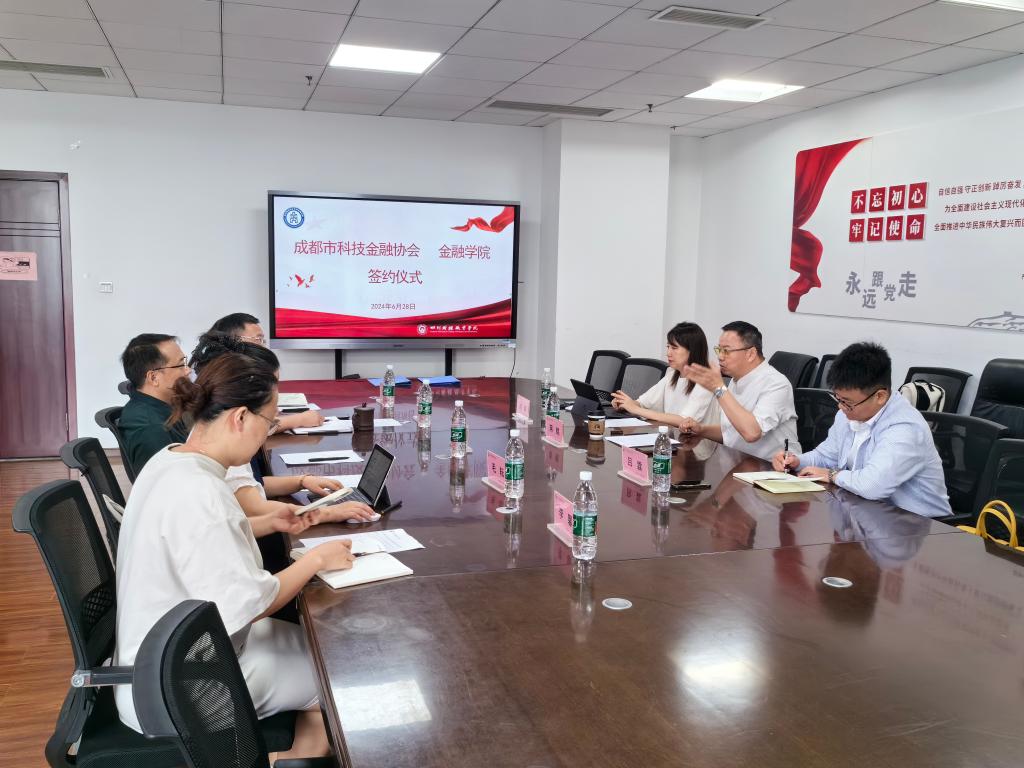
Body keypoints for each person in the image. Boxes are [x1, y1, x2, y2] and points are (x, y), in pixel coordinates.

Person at [114, 352, 353, 759]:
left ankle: (297, 753)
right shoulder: (203, 493)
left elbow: (199, 541)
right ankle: (295, 756)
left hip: (171, 654)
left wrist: (267, 522)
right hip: (184, 684)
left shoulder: (171, 459)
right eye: (269, 423)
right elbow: (251, 605)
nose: (267, 435)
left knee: (328, 647)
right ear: (240, 417)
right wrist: (316, 560)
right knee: (341, 675)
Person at [189, 331, 376, 525]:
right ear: (241, 415)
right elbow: (253, 508)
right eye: (268, 419)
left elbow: (252, 486)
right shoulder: (217, 462)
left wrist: (301, 481)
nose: (271, 425)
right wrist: (326, 514)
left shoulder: (210, 437)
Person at [772, 342, 951, 519]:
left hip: (920, 526)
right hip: (869, 514)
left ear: (880, 396)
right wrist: (796, 461)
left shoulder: (904, 428)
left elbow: (872, 486)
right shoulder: (848, 413)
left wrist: (832, 475)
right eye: (838, 399)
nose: (841, 407)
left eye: (847, 402)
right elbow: (826, 456)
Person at [679, 321, 800, 460]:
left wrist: (718, 388)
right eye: (719, 350)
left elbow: (752, 433)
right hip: (740, 462)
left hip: (772, 467)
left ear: (751, 353)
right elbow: (732, 432)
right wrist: (702, 429)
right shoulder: (736, 379)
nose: (720, 356)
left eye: (726, 351)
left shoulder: (777, 384)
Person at [209, 312, 325, 431]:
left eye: (263, 340)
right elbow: (248, 427)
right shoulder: (225, 379)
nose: (263, 347)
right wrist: (298, 420)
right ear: (233, 341)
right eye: (259, 339)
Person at [610, 322, 720, 429]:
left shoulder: (706, 380)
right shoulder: (672, 374)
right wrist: (625, 404)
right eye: (668, 347)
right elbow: (643, 403)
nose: (668, 353)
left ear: (692, 350)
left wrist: (635, 409)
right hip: (672, 436)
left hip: (695, 440)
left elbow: (685, 420)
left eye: (674, 348)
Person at [118, 333, 192, 475]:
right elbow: (172, 482)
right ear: (153, 378)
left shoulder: (162, 407)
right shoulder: (152, 428)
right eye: (181, 365)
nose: (188, 370)